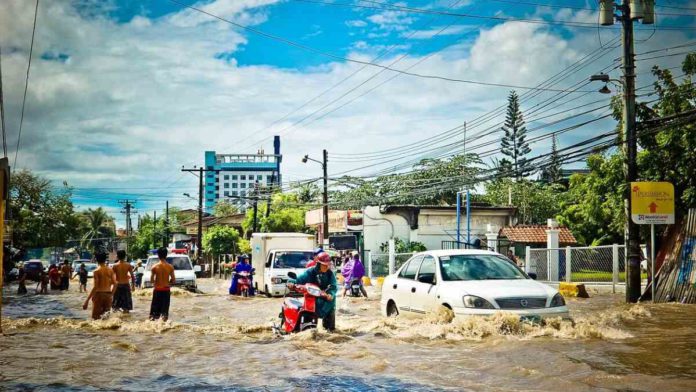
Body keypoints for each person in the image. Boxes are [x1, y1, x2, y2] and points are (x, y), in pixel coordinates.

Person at [288, 252, 337, 332]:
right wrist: (292, 282)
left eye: (327, 265)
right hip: (313, 297)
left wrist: (330, 294)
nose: (326, 267)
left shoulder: (330, 274)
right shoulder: (310, 272)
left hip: (326, 299)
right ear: (318, 264)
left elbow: (333, 286)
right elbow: (299, 280)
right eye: (324, 265)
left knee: (331, 330)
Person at [83, 253, 116, 320]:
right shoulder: (110, 270)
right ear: (105, 259)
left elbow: (95, 286)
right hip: (108, 295)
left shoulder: (96, 271)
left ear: (96, 260)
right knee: (106, 318)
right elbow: (115, 284)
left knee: (95, 318)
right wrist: (111, 295)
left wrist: (87, 300)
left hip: (99, 295)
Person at [149, 247, 175, 321]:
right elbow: (173, 280)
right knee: (164, 314)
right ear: (166, 255)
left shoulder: (154, 267)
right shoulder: (170, 267)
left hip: (157, 290)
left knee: (153, 315)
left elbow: (151, 281)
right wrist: (168, 282)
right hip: (166, 290)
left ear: (158, 255)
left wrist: (157, 282)